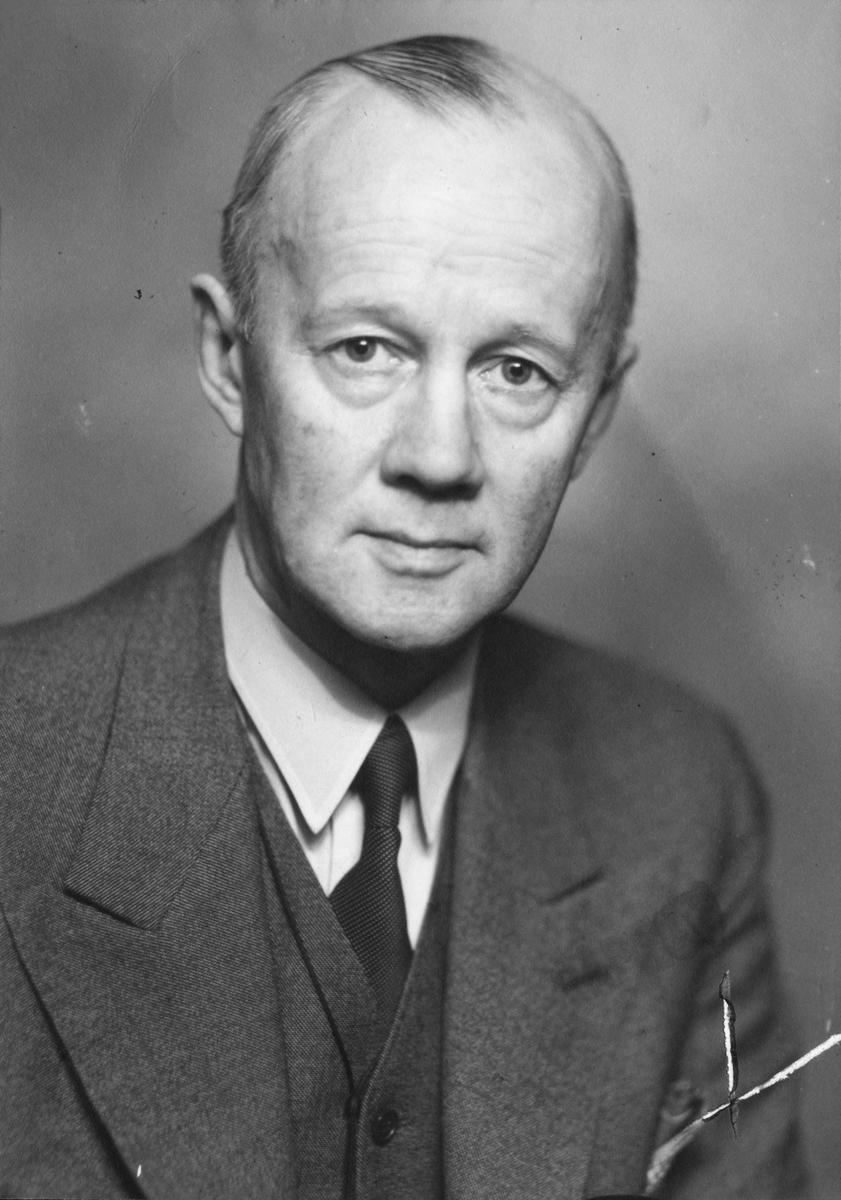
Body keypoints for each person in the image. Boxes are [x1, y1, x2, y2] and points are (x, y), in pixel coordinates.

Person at [0, 34, 808, 1200]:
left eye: (516, 371)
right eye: (366, 350)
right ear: (227, 359)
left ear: (595, 415)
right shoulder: (18, 769)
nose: (439, 456)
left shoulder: (675, 794)